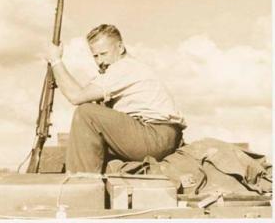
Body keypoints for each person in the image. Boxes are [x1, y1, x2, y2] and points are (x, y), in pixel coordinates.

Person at [45, 24, 186, 173]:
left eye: (104, 54)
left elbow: (76, 97)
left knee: (86, 113)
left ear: (120, 48)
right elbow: (84, 96)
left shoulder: (123, 67)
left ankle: (82, 186)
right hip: (159, 137)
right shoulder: (127, 68)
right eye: (95, 56)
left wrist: (55, 61)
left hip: (154, 136)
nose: (100, 61)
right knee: (91, 115)